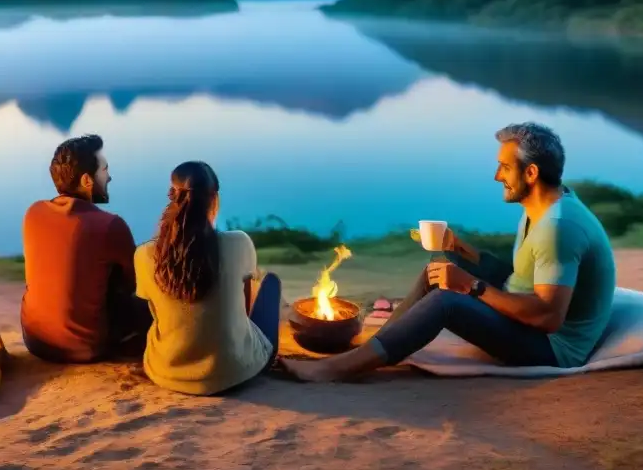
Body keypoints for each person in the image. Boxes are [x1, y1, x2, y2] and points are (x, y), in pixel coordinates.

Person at [281, 122, 617, 382]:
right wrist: (460, 249)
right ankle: (376, 345)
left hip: (552, 349)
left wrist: (472, 286)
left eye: (505, 167)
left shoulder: (559, 227)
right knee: (439, 269)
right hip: (532, 320)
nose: (496, 175)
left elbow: (547, 317)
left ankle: (337, 370)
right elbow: (521, 280)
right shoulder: (543, 207)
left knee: (446, 301)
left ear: (531, 172)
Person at [133, 161, 283, 395]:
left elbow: (153, 312)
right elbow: (243, 307)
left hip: (169, 373)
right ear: (214, 200)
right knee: (271, 284)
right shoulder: (239, 243)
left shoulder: (144, 255)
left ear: (173, 197)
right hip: (236, 370)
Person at [20, 134, 152, 363]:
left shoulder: (33, 213)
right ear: (86, 181)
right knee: (149, 304)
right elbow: (135, 284)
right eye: (104, 170)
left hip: (35, 341)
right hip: (86, 347)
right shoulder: (110, 225)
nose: (109, 177)